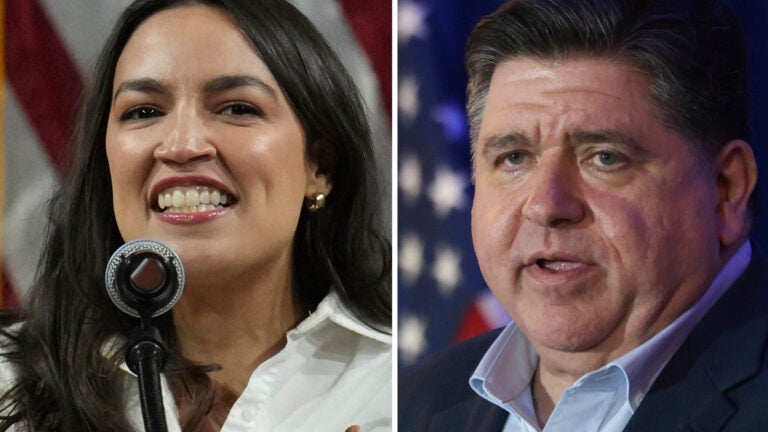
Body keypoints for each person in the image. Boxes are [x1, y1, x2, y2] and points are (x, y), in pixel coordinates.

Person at [0, 0, 391, 430]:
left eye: (237, 108)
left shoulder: (401, 384)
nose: (181, 145)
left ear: (319, 166)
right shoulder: (7, 380)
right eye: (144, 112)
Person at [399, 0, 768, 430]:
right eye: (514, 158)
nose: (546, 205)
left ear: (726, 191)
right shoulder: (416, 404)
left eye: (605, 158)